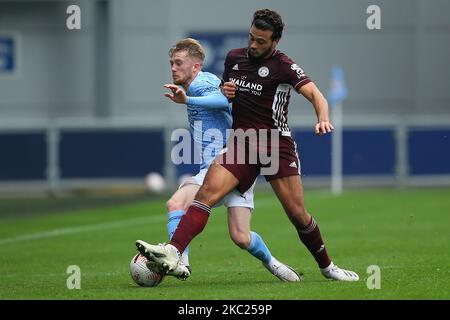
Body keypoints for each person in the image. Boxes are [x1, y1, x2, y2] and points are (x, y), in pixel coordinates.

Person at [137, 10, 359, 282]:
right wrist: (227, 92)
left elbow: (315, 94)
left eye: (261, 41)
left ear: (275, 41)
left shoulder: (284, 66)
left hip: (275, 145)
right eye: (251, 38)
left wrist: (323, 119)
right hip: (241, 144)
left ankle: (328, 267)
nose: (253, 45)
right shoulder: (234, 58)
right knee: (205, 195)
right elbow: (225, 94)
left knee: (297, 214)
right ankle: (174, 251)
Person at [141, 38, 300, 282]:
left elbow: (222, 100)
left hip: (230, 164)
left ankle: (182, 260)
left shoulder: (202, 82)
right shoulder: (194, 86)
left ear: (195, 67)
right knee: (237, 234)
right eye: (171, 63)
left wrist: (187, 100)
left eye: (178, 63)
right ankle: (271, 263)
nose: (173, 68)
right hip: (224, 167)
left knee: (187, 209)